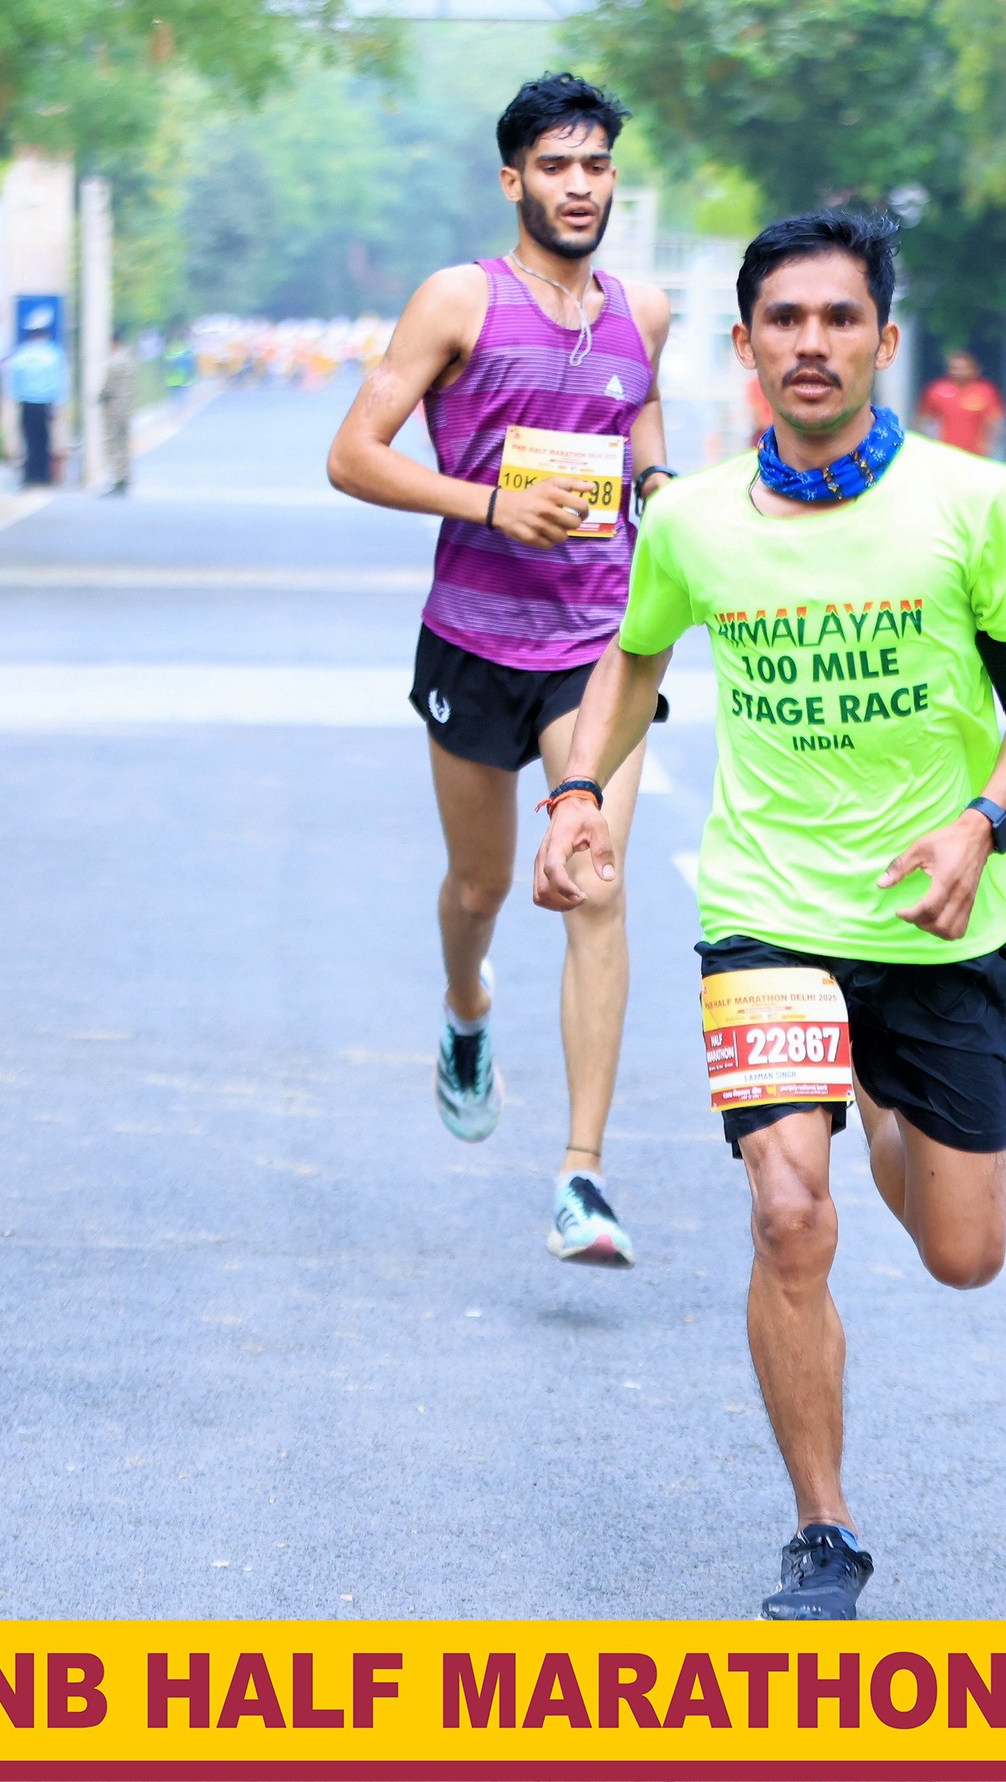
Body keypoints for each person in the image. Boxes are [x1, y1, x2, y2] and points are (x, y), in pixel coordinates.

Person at [533, 212, 1006, 1618]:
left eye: (840, 318)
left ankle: (883, 1093)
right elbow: (632, 659)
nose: (812, 344)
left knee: (964, 1254)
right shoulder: (696, 520)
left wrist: (983, 818)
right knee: (790, 1215)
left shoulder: (973, 503)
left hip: (939, 916)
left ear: (884, 341)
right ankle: (823, 1529)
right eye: (785, 320)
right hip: (769, 910)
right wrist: (580, 791)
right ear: (746, 345)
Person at [326, 72, 678, 1266]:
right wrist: (491, 504)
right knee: (479, 889)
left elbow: (640, 421)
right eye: (556, 166)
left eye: (597, 165)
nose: (580, 186)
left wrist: (658, 486)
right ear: (513, 179)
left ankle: (582, 1174)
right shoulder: (457, 300)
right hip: (474, 640)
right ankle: (467, 1008)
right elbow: (353, 454)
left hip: (599, 646)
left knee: (596, 879)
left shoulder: (644, 311)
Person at [916, 347, 1006, 458]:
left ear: (974, 369)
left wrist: (989, 445)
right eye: (955, 368)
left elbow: (995, 421)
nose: (958, 371)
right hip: (944, 452)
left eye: (963, 368)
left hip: (976, 454)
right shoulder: (937, 390)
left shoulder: (985, 391)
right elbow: (923, 419)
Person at [6, 316, 65, 487]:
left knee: (29, 440)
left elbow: (13, 381)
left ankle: (30, 476)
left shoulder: (21, 354)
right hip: (45, 403)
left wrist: (16, 399)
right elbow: (59, 381)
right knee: (44, 440)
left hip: (26, 403)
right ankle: (44, 476)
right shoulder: (53, 354)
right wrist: (59, 403)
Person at [99, 333, 138, 495]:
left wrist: (100, 396)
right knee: (123, 443)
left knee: (113, 443)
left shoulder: (115, 361)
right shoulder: (129, 359)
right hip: (126, 407)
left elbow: (108, 386)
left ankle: (117, 478)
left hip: (114, 407)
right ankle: (125, 476)